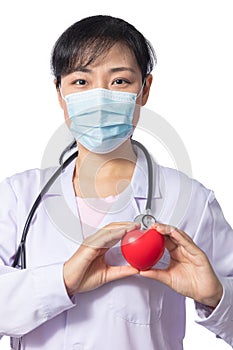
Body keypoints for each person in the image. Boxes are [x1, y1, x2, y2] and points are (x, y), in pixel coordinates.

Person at [0, 15, 232, 350]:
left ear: (144, 89)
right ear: (59, 92)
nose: (99, 97)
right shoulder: (18, 199)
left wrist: (216, 296)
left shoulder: (190, 201)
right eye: (81, 82)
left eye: (119, 81)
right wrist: (62, 281)